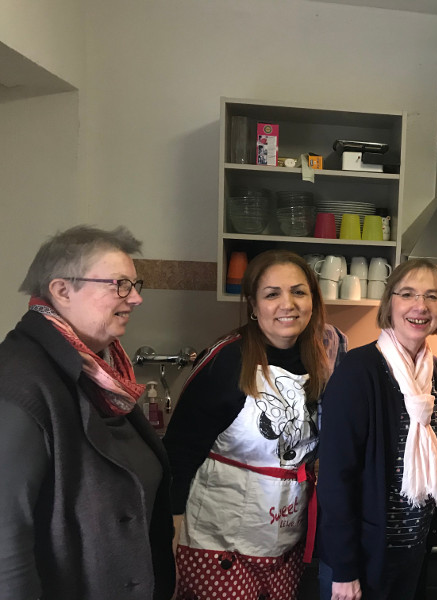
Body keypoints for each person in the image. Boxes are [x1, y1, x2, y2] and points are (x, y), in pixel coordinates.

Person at [0, 225, 175, 600]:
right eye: (120, 284)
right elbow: (6, 547)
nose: (136, 298)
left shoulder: (101, 371)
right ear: (62, 290)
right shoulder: (19, 383)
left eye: (134, 284)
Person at [163, 249, 347, 600]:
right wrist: (170, 534)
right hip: (218, 544)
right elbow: (179, 452)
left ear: (313, 299)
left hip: (284, 542)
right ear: (253, 304)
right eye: (272, 293)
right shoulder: (226, 360)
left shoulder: (324, 361)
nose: (287, 304)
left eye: (298, 291)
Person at [316, 258, 437, 600]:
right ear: (390, 303)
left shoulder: (435, 374)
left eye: (432, 296)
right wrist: (344, 569)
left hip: (412, 554)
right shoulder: (359, 372)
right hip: (364, 559)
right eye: (409, 294)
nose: (421, 306)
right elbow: (336, 478)